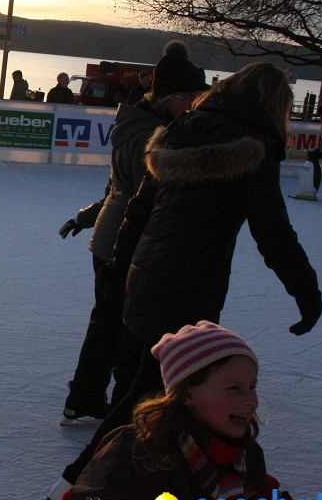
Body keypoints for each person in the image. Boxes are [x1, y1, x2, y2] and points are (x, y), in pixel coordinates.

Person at [50, 61, 322, 500]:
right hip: (186, 292)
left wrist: (123, 268)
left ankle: (144, 478)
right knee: (145, 396)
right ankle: (73, 485)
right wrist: (307, 295)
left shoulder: (183, 128)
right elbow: (274, 234)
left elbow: (139, 208)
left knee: (151, 391)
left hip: (147, 282)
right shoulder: (251, 148)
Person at [58, 41, 209, 426]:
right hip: (125, 242)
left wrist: (88, 216)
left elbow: (117, 187)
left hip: (120, 234)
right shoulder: (151, 134)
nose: (194, 104)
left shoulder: (143, 123)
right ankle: (113, 407)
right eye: (190, 97)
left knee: (111, 325)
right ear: (172, 96)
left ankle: (87, 398)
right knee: (120, 330)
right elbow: (139, 191)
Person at [65, 322, 302, 500]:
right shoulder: (140, 454)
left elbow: (258, 495)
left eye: (252, 386)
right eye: (234, 388)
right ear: (188, 393)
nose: (250, 400)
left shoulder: (241, 456)